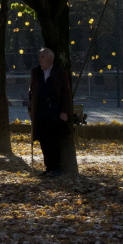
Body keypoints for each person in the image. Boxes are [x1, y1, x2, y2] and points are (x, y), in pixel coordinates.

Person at [28, 48, 72, 177]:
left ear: (50, 58)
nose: (39, 59)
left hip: (54, 111)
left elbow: (66, 93)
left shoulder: (59, 72)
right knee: (43, 139)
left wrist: (65, 111)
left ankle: (56, 168)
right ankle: (48, 167)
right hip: (40, 111)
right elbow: (31, 93)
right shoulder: (35, 72)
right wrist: (30, 109)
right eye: (40, 56)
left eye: (42, 56)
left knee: (53, 139)